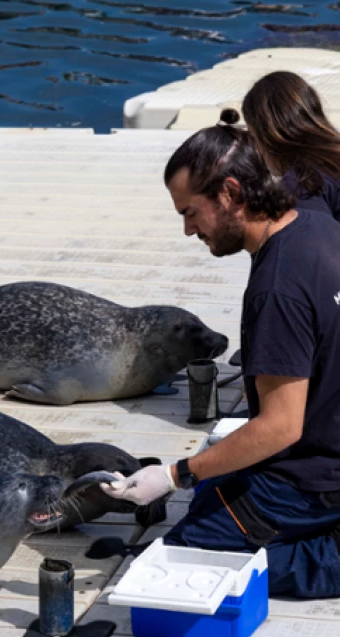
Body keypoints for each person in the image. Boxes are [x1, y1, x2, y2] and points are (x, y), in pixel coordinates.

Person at [101, 117, 340, 599]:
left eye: (191, 212)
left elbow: (280, 427)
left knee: (189, 549)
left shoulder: (277, 289)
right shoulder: (316, 224)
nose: (189, 230)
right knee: (210, 491)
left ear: (231, 193)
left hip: (319, 475)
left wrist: (173, 474)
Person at [239, 71, 340, 220]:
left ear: (269, 135)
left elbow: (314, 240)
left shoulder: (303, 184)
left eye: (254, 137)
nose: (255, 149)